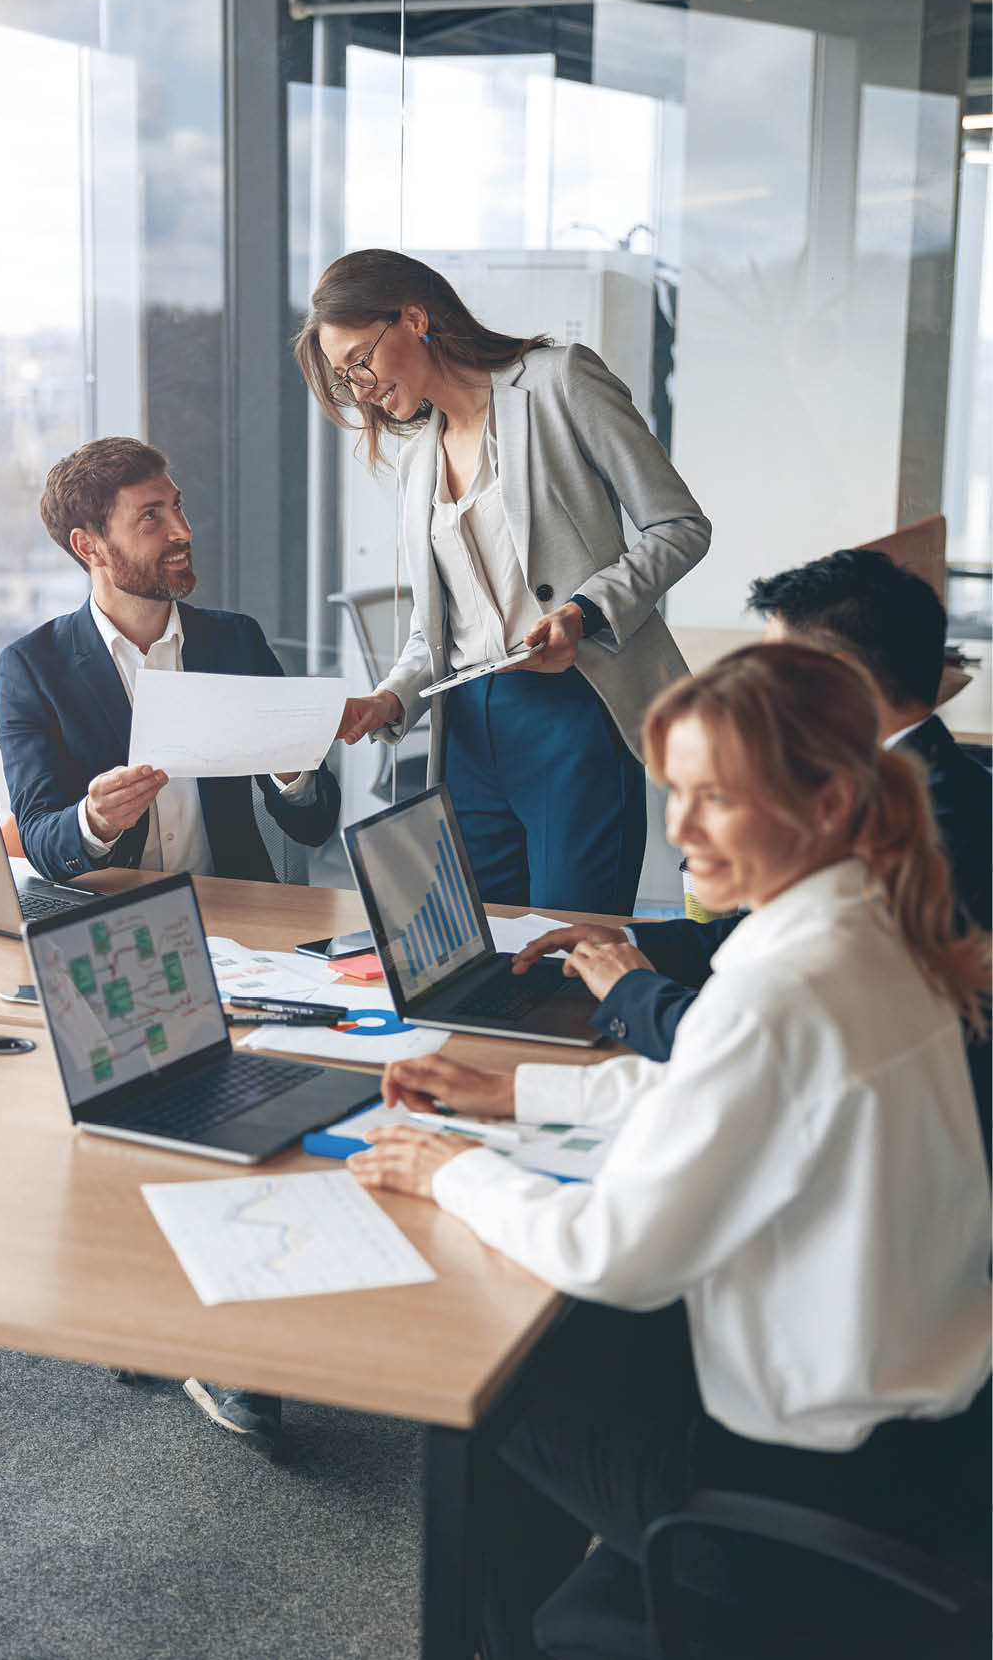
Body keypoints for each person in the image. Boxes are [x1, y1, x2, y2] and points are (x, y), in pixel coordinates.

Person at [350, 643, 991, 1660]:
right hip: (929, 1439)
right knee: (557, 1346)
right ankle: (586, 1616)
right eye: (675, 794)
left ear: (823, 802)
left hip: (807, 1489)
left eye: (715, 800)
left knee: (484, 1379)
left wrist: (449, 1166)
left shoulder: (780, 987)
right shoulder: (873, 924)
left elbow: (616, 1251)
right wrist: (519, 1088)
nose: (679, 829)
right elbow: (728, 1093)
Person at [0, 435, 340, 1458]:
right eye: (152, 516)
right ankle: (179, 1318)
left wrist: (291, 770)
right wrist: (96, 820)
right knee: (159, 1112)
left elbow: (314, 823)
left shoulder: (233, 638)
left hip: (246, 917)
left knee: (265, 1100)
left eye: (177, 506)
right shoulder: (38, 666)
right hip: (123, 928)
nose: (182, 529)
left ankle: (231, 1321)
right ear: (88, 544)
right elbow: (46, 834)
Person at [295, 249, 711, 916]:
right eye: (345, 379)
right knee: (481, 951)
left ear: (413, 317)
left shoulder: (557, 383)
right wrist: (390, 699)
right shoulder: (416, 455)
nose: (361, 388)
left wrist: (583, 612)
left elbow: (679, 526)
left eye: (359, 362)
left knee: (570, 941)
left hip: (572, 711)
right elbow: (439, 624)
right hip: (467, 730)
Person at [512, 549, 992, 1070]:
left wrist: (630, 989)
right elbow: (766, 934)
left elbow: (756, 1048)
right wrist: (626, 940)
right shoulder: (910, 782)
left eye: (773, 670)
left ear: (840, 680)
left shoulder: (928, 831)